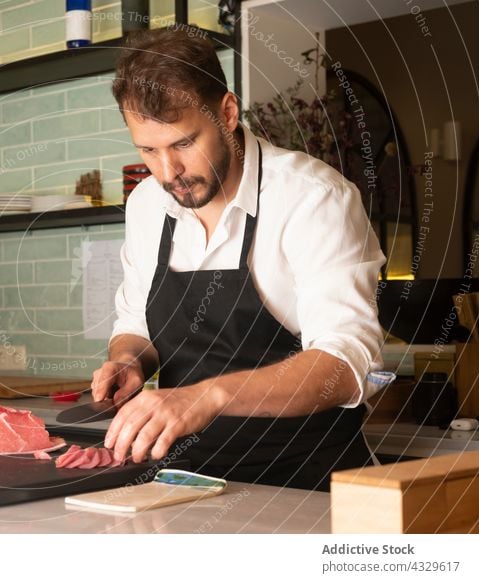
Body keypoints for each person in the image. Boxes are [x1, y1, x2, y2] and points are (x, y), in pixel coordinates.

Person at [91, 27, 385, 491]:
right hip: (182, 484)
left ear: (227, 112)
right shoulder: (146, 204)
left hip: (307, 485)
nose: (169, 173)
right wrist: (129, 361)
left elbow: (347, 367)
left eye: (184, 143)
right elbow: (136, 323)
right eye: (148, 150)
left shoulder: (313, 198)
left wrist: (207, 396)